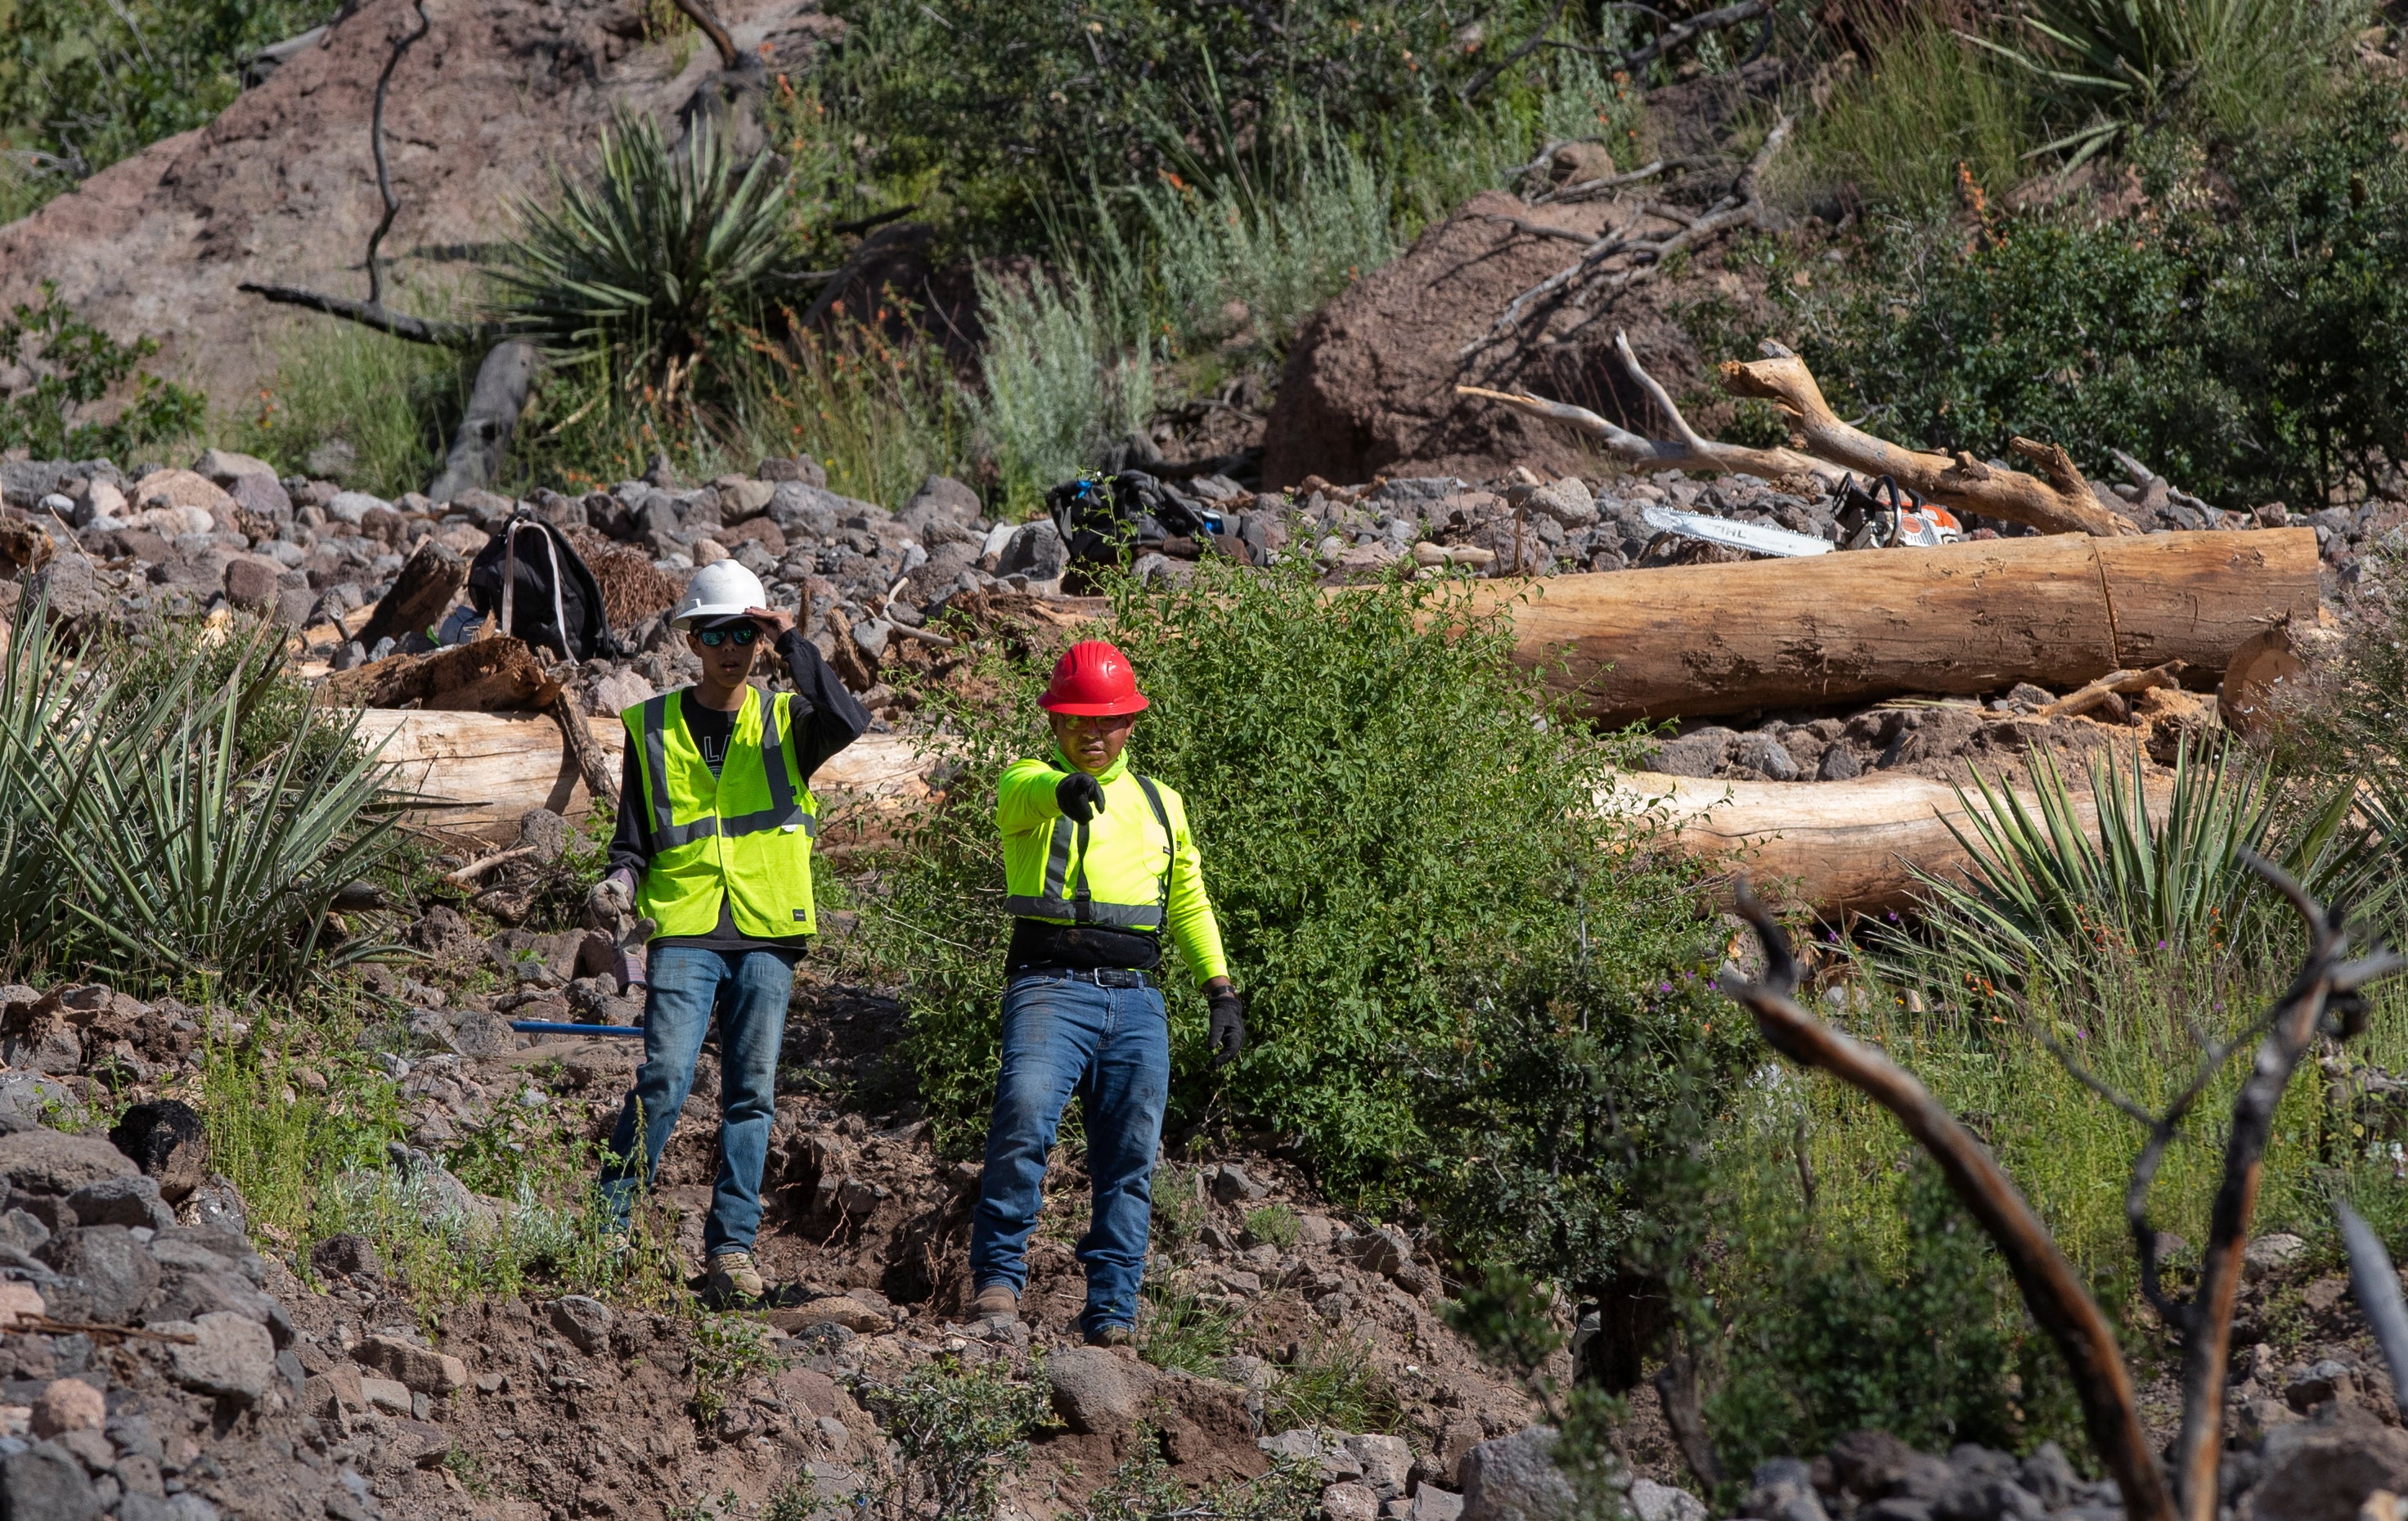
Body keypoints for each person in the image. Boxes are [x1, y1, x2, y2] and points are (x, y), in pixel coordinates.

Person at [589, 560, 869, 1302]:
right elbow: (633, 841)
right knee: (666, 1076)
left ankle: (732, 1249)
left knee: (751, 1094)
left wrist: (793, 644)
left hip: (768, 927)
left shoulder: (787, 720)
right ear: (692, 639)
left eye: (744, 632)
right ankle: (606, 1224)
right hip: (684, 928)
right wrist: (618, 884)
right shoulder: (650, 726)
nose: (731, 646)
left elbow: (850, 719)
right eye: (717, 633)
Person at [967, 639, 1245, 1344]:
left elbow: (1187, 901)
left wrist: (1220, 989)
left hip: (1138, 998)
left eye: (1108, 721)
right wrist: (1062, 790)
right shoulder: (1027, 782)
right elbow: (1024, 796)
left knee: (1129, 1156)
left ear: (1131, 723)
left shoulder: (1162, 802)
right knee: (1025, 1119)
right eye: (1076, 721)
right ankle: (998, 1283)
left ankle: (1113, 1313)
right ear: (1055, 725)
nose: (1093, 734)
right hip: (1048, 988)